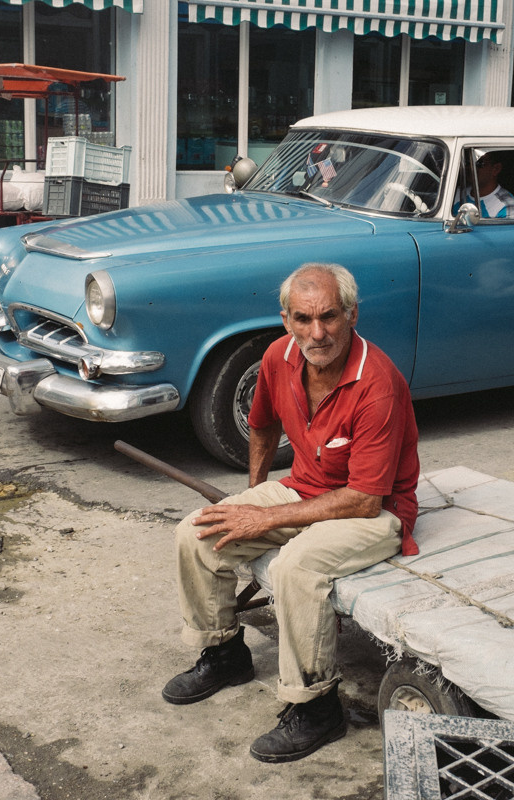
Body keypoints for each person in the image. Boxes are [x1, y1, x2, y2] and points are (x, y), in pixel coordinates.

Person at [163, 263, 421, 763]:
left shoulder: (377, 382)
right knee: (196, 533)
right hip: (304, 490)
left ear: (351, 314)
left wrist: (265, 521)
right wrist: (253, 497)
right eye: (303, 319)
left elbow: (365, 498)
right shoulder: (278, 356)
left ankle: (317, 707)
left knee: (296, 568)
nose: (317, 332)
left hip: (376, 512)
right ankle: (223, 653)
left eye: (328, 317)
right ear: (286, 319)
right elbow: (260, 427)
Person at [454, 152, 514, 219]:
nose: (470, 167)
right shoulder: (454, 194)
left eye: (479, 163)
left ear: (496, 169)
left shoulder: (507, 207)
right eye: (468, 162)